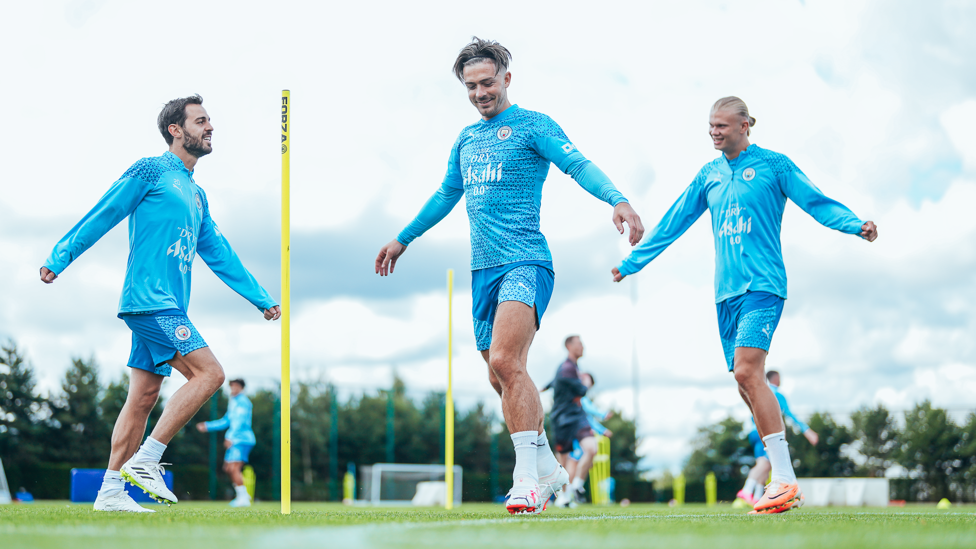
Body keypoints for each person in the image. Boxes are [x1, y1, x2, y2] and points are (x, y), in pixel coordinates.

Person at [374, 37, 644, 514]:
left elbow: (576, 163)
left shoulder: (532, 126)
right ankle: (549, 469)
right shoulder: (466, 138)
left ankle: (526, 481)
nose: (481, 92)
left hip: (526, 261)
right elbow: (444, 194)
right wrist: (404, 237)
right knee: (502, 375)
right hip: (483, 273)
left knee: (504, 358)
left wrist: (617, 199)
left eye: (488, 82)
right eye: (471, 86)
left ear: (506, 79)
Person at [612, 96, 878, 514]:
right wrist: (633, 263)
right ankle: (782, 477)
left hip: (764, 287)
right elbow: (673, 222)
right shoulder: (709, 175)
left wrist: (854, 224)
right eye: (710, 126)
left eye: (722, 126)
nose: (715, 132)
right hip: (725, 294)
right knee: (743, 382)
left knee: (748, 370)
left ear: (745, 125)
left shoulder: (774, 165)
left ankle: (784, 480)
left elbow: (815, 200)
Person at [40, 95, 280, 513]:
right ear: (175, 130)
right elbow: (104, 212)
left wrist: (259, 297)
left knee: (144, 397)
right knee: (210, 374)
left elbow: (219, 252)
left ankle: (110, 492)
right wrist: (61, 256)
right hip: (150, 301)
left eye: (210, 121)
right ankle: (148, 460)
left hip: (168, 308)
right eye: (201, 120)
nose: (210, 128)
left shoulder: (197, 194)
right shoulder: (150, 170)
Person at [737, 370, 818, 505]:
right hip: (764, 431)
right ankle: (746, 490)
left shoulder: (759, 393)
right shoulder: (776, 395)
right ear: (775, 379)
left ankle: (757, 496)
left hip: (753, 432)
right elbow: (790, 414)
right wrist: (807, 431)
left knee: (766, 464)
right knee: (765, 464)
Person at [549, 336, 600, 507]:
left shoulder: (574, 368)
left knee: (592, 448)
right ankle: (563, 496)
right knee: (563, 461)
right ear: (569, 346)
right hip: (563, 418)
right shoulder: (567, 367)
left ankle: (577, 485)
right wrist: (585, 383)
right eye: (579, 344)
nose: (583, 347)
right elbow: (581, 390)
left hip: (578, 416)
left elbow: (555, 382)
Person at [196, 378, 256, 507]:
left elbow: (240, 422)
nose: (233, 389)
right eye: (231, 386)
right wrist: (208, 426)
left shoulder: (243, 402)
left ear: (242, 388)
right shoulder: (233, 402)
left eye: (236, 386)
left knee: (234, 468)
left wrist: (232, 438)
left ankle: (244, 498)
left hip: (241, 439)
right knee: (228, 468)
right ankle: (242, 495)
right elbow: (226, 421)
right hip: (235, 439)